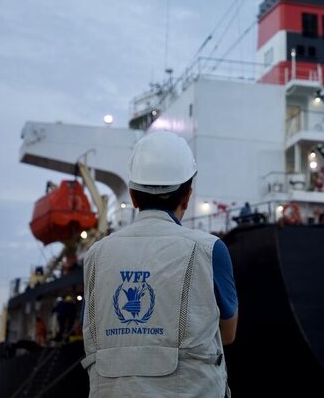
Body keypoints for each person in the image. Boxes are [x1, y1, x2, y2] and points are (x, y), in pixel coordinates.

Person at [82, 130, 238, 397]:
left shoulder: (96, 255)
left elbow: (93, 331)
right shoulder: (210, 250)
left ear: (132, 196)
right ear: (187, 196)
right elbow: (228, 334)